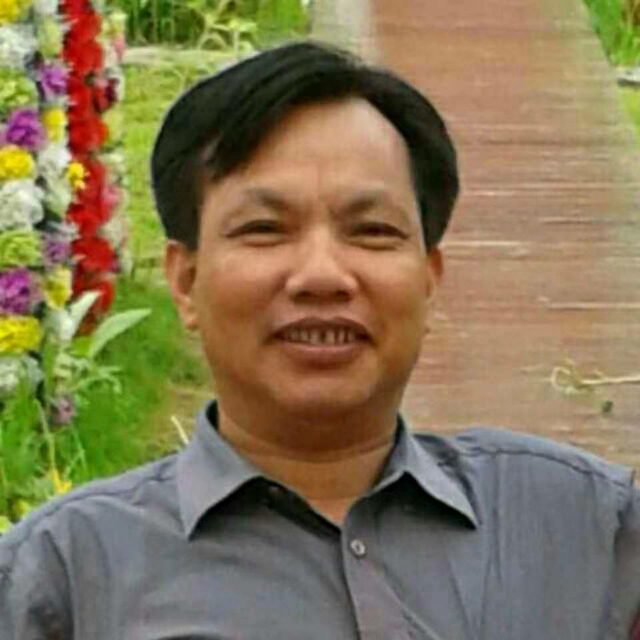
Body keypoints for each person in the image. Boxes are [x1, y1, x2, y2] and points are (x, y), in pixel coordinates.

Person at [1, 41, 638, 639]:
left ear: (429, 279)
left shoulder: (586, 528)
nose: (322, 276)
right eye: (264, 229)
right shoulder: (67, 578)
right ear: (186, 282)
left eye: (372, 231)